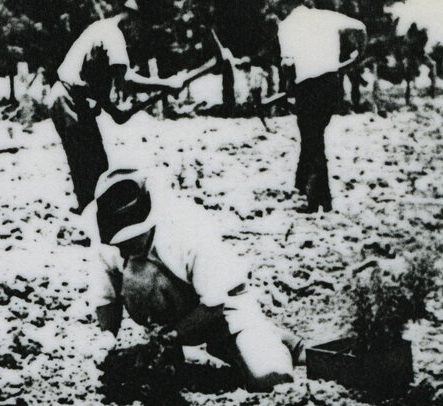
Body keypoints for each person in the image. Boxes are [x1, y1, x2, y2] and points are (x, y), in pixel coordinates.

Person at [89, 168, 305, 392]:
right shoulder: (109, 239)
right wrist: (107, 338)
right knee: (139, 273)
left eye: (131, 239)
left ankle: (270, 340)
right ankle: (184, 351)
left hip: (225, 309)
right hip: (172, 317)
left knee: (269, 378)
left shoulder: (186, 231)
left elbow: (214, 304)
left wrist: (172, 336)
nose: (124, 247)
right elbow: (107, 298)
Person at [50, 0, 187, 216]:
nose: (139, 34)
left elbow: (94, 79)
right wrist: (166, 84)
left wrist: (114, 111)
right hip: (69, 100)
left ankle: (94, 214)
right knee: (87, 164)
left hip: (73, 99)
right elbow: (127, 82)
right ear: (134, 18)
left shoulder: (102, 28)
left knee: (95, 163)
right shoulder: (113, 36)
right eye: (143, 27)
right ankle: (91, 219)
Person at [275, 0, 366, 213]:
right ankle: (303, 185)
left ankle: (319, 201)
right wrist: (356, 57)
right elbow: (361, 28)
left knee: (313, 140)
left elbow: (287, 63)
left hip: (309, 87)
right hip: (332, 84)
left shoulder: (286, 27)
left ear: (286, 4)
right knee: (314, 136)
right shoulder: (325, 16)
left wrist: (289, 86)